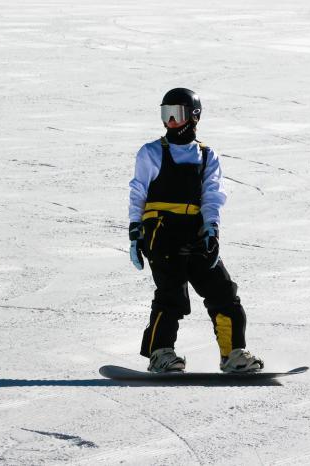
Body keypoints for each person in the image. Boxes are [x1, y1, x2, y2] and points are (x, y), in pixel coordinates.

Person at [127, 87, 264, 373]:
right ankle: (160, 353)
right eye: (166, 115)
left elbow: (213, 194)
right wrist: (135, 230)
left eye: (177, 115)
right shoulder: (152, 152)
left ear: (194, 117)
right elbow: (137, 191)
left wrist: (211, 229)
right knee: (172, 294)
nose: (171, 123)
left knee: (223, 293)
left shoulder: (206, 155)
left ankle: (233, 353)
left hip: (195, 230)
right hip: (161, 230)